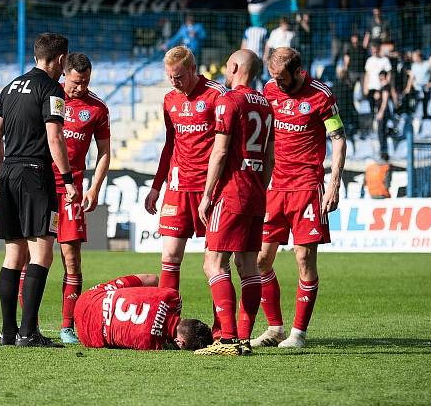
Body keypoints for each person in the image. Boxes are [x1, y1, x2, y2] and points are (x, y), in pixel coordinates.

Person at [0, 33, 79, 348]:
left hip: (9, 172)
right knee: (42, 253)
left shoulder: (9, 87)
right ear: (60, 59)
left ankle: (8, 332)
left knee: (13, 254)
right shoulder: (52, 89)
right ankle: (29, 333)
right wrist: (67, 181)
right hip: (36, 175)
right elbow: (55, 139)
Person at [253, 47, 347, 348]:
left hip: (307, 187)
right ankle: (275, 328)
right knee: (261, 260)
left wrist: (333, 185)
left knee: (304, 257)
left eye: (282, 78)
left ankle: (298, 333)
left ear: (298, 71)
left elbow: (339, 139)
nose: (277, 84)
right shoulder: (269, 90)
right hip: (274, 188)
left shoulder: (321, 95)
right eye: (273, 78)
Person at [21, 52, 111, 345]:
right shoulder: (48, 97)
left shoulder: (97, 109)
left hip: (72, 194)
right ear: (64, 74)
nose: (80, 88)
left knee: (71, 259)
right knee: (29, 258)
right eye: (75, 82)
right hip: (41, 188)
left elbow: (105, 153)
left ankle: (66, 325)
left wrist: (95, 188)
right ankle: (28, 323)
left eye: (85, 82)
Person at [195, 50, 273, 357]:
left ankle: (226, 339)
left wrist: (206, 195)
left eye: (228, 65)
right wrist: (259, 185)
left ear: (235, 67)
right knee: (248, 265)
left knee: (213, 263)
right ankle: (243, 338)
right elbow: (269, 157)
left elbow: (220, 152)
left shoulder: (229, 101)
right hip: (256, 192)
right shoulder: (266, 105)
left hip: (231, 193)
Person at [144, 46, 227, 297]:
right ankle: (167, 325)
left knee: (215, 265)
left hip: (210, 189)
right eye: (169, 76)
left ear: (193, 69)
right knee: (169, 256)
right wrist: (156, 187)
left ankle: (222, 330)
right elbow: (170, 145)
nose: (173, 82)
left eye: (178, 76)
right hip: (178, 187)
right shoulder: (170, 100)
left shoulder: (217, 95)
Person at [73, 273, 212, 351]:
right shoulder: (152, 344)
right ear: (180, 342)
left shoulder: (174, 298)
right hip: (87, 335)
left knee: (152, 279)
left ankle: (66, 325)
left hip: (87, 298)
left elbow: (153, 281)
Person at [410, 49, 431, 120]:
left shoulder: (426, 64)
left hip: (427, 89)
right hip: (418, 89)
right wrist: (411, 87)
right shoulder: (413, 66)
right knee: (418, 107)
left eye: (415, 56)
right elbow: (412, 78)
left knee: (428, 105)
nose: (413, 58)